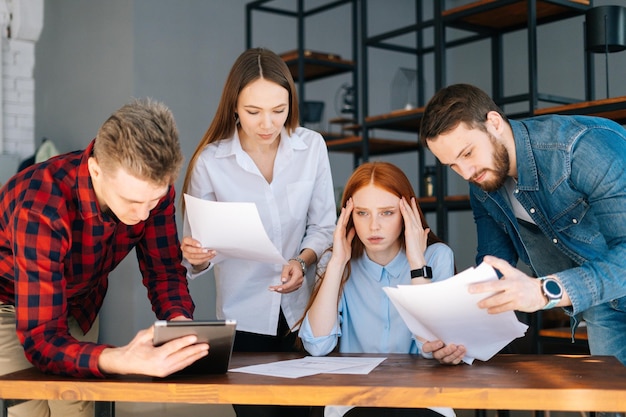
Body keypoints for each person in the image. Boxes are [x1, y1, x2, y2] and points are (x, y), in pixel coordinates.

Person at [0, 99, 209, 417]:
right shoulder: (41, 207)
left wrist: (178, 325)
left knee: (76, 407)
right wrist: (122, 358)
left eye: (152, 201)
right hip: (9, 303)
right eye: (132, 201)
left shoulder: (152, 190)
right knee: (31, 409)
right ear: (96, 170)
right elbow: (41, 338)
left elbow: (163, 270)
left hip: (79, 301)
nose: (143, 214)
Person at [419, 83, 626, 366]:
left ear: (494, 123)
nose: (466, 172)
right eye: (452, 165)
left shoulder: (582, 149)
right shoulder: (483, 183)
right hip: (602, 304)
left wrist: (544, 292)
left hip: (608, 285)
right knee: (612, 403)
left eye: (467, 153)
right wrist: (458, 334)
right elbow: (494, 269)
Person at [180, 47, 336, 417]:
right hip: (244, 318)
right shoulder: (210, 161)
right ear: (234, 106)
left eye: (278, 111)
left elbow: (324, 226)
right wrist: (195, 255)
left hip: (302, 317)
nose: (267, 123)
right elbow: (195, 251)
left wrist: (302, 259)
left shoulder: (311, 147)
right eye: (253, 112)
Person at [298, 161, 464, 417]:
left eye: (387, 212)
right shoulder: (335, 261)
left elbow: (431, 347)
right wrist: (337, 264)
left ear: (407, 213)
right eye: (362, 213)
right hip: (354, 402)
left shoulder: (435, 256)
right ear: (348, 217)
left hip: (421, 400)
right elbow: (317, 345)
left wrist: (417, 264)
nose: (373, 226)